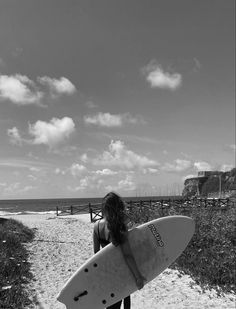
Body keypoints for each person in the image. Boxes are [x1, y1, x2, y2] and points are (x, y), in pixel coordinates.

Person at [93, 192, 145, 309]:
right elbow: (127, 255)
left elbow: (96, 255)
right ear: (118, 207)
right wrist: (138, 277)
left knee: (110, 305)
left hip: (106, 272)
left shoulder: (96, 226)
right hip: (121, 272)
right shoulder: (119, 227)